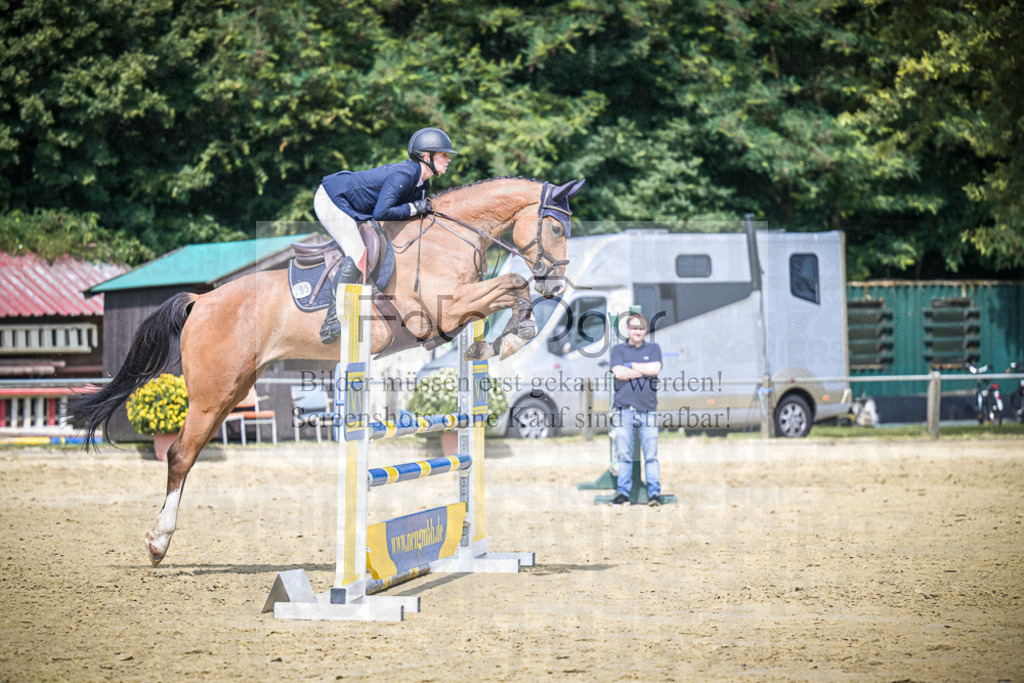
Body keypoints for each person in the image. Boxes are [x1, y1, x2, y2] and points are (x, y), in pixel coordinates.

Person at [314, 127, 459, 343]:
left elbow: (406, 217)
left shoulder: (423, 183)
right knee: (357, 253)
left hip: (353, 206)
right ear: (426, 156)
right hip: (332, 199)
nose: (448, 159)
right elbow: (382, 213)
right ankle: (332, 321)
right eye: (443, 155)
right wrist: (414, 209)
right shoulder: (404, 174)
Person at [609, 312, 664, 506]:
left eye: (641, 328)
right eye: (634, 328)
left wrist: (631, 366)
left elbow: (655, 369)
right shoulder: (618, 350)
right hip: (625, 411)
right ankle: (623, 494)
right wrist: (642, 371)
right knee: (624, 456)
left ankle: (654, 495)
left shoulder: (654, 348)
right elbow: (619, 372)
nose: (637, 331)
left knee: (650, 456)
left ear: (645, 330)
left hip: (648, 411)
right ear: (628, 330)